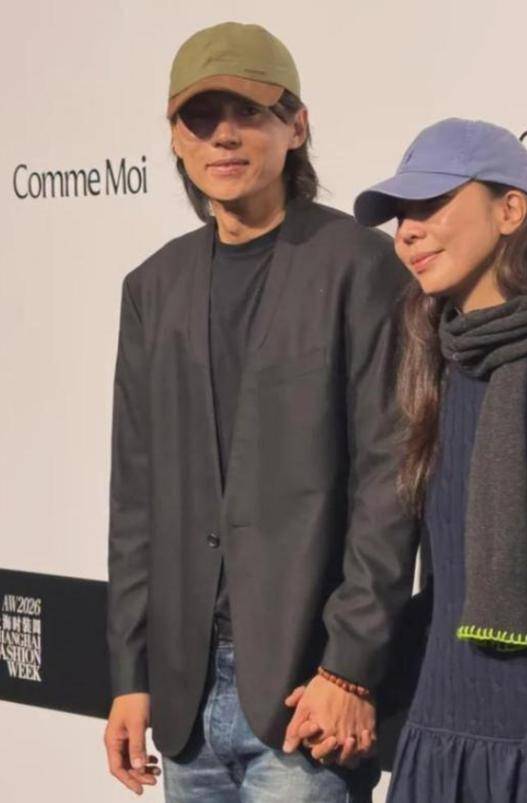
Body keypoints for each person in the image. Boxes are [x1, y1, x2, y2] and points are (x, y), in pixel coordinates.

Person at [103, 21, 418, 803]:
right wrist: (131, 674)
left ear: (296, 125)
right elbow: (137, 497)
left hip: (307, 693)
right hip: (183, 701)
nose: (224, 135)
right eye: (200, 116)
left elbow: (390, 480)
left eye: (248, 111)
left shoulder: (361, 265)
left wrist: (350, 665)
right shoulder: (152, 287)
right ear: (175, 138)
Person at [354, 118, 527, 802]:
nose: (408, 232)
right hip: (439, 748)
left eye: (432, 204)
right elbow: (447, 583)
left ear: (510, 210)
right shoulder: (444, 358)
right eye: (402, 214)